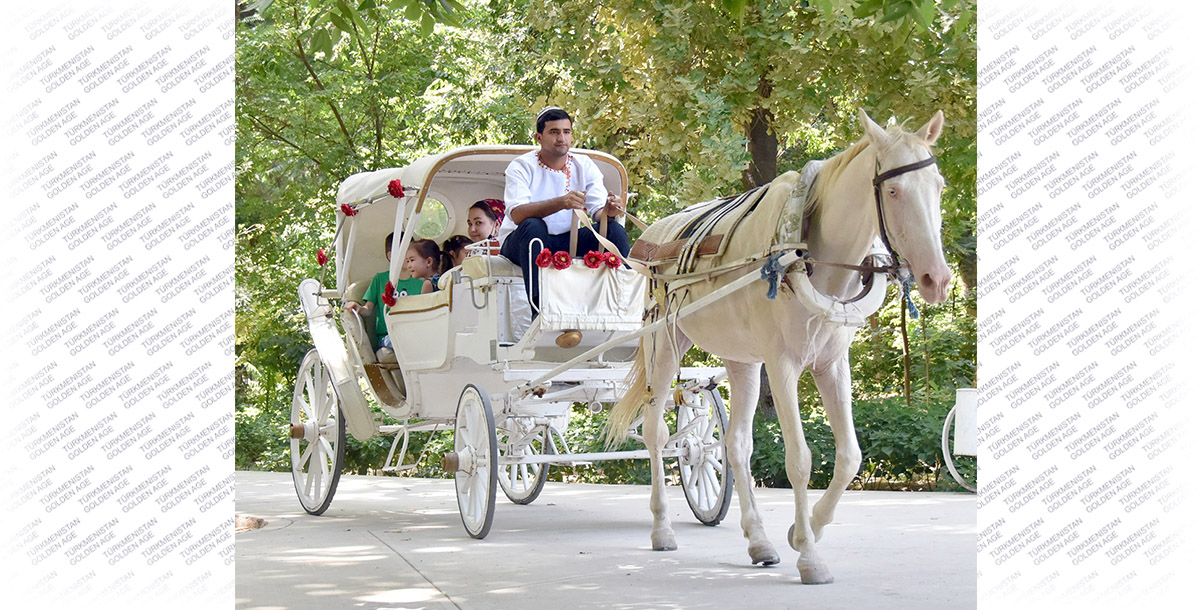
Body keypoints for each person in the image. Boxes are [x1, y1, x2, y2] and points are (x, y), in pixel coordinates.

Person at [499, 106, 630, 307]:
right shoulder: (521, 166)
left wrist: (610, 211)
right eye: (554, 132)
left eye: (566, 132)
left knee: (614, 231)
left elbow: (598, 212)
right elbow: (517, 215)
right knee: (533, 226)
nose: (562, 138)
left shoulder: (583, 165)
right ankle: (540, 309)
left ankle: (623, 302)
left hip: (568, 240)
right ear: (538, 137)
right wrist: (562, 202)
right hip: (523, 242)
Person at [345, 233, 424, 360]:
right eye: (405, 251)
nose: (409, 256)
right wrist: (359, 308)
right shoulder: (380, 279)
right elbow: (368, 309)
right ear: (391, 256)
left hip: (415, 333)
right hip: (389, 337)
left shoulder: (421, 282)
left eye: (412, 251)